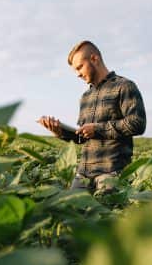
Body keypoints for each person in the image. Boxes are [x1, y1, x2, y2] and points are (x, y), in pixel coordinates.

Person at [38, 40, 146, 193]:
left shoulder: (124, 86)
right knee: (70, 212)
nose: (78, 74)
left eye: (80, 67)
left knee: (107, 215)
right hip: (83, 173)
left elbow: (137, 123)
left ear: (95, 59)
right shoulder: (85, 97)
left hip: (112, 171)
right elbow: (83, 138)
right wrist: (60, 132)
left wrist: (98, 129)